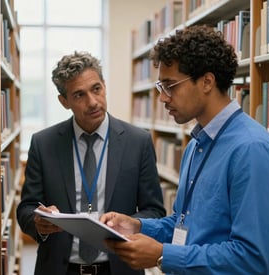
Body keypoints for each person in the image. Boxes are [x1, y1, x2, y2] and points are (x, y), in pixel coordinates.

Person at [100, 24, 269, 275]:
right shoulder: (196, 145)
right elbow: (183, 225)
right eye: (160, 87)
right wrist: (137, 227)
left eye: (170, 86)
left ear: (207, 82)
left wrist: (162, 255)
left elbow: (252, 259)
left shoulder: (251, 150)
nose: (163, 98)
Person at [16, 51, 166, 275]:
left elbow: (154, 211)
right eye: (79, 95)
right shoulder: (43, 143)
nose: (93, 102)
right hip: (60, 269)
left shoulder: (138, 142)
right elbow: (26, 208)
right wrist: (38, 222)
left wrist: (128, 223)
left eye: (96, 89)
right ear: (64, 101)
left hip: (118, 268)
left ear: (104, 85)